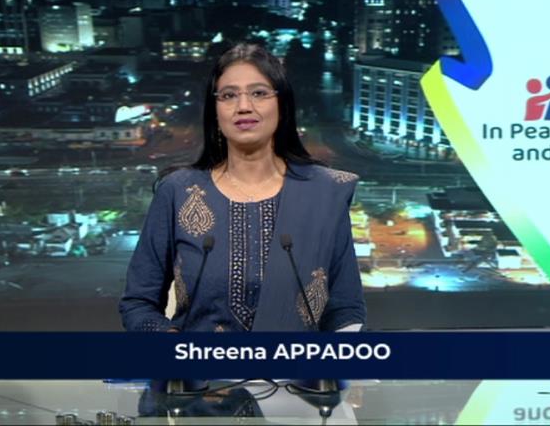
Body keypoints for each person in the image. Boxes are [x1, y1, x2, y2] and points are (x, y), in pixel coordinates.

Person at [119, 43, 366, 332]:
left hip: (295, 361)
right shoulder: (177, 191)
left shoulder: (324, 192)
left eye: (259, 93)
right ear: (215, 111)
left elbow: (345, 309)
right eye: (228, 95)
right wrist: (171, 342)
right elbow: (138, 303)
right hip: (201, 361)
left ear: (282, 105)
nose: (244, 106)